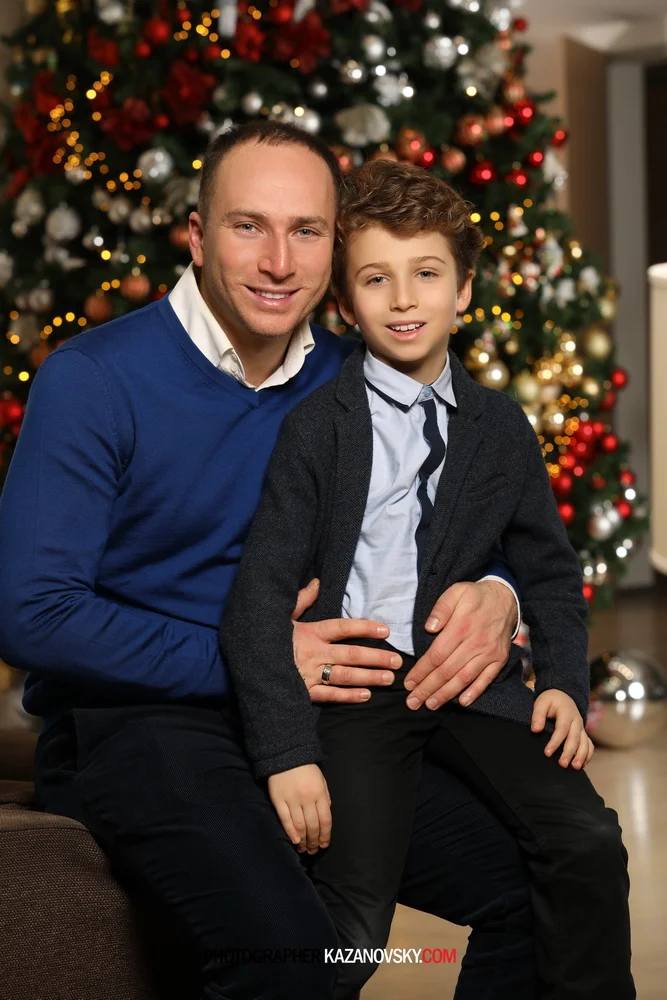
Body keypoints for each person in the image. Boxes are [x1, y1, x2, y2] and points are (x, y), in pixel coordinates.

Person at [0, 122, 536, 1000]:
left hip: (319, 714)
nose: (280, 260)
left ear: (335, 243)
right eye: (249, 225)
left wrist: (498, 591)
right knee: (298, 956)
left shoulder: (356, 381)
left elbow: (481, 515)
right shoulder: (93, 378)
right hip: (141, 722)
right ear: (197, 234)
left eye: (308, 230)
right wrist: (253, 659)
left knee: (543, 879)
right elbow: (32, 611)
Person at [221, 158, 635, 1000]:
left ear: (464, 290)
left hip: (467, 686)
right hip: (361, 692)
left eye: (426, 275)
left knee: (585, 844)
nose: (404, 299)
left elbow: (547, 569)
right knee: (354, 928)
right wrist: (288, 753)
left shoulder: (500, 430)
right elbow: (256, 601)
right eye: (376, 279)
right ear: (344, 302)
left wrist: (557, 679)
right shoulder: (317, 431)